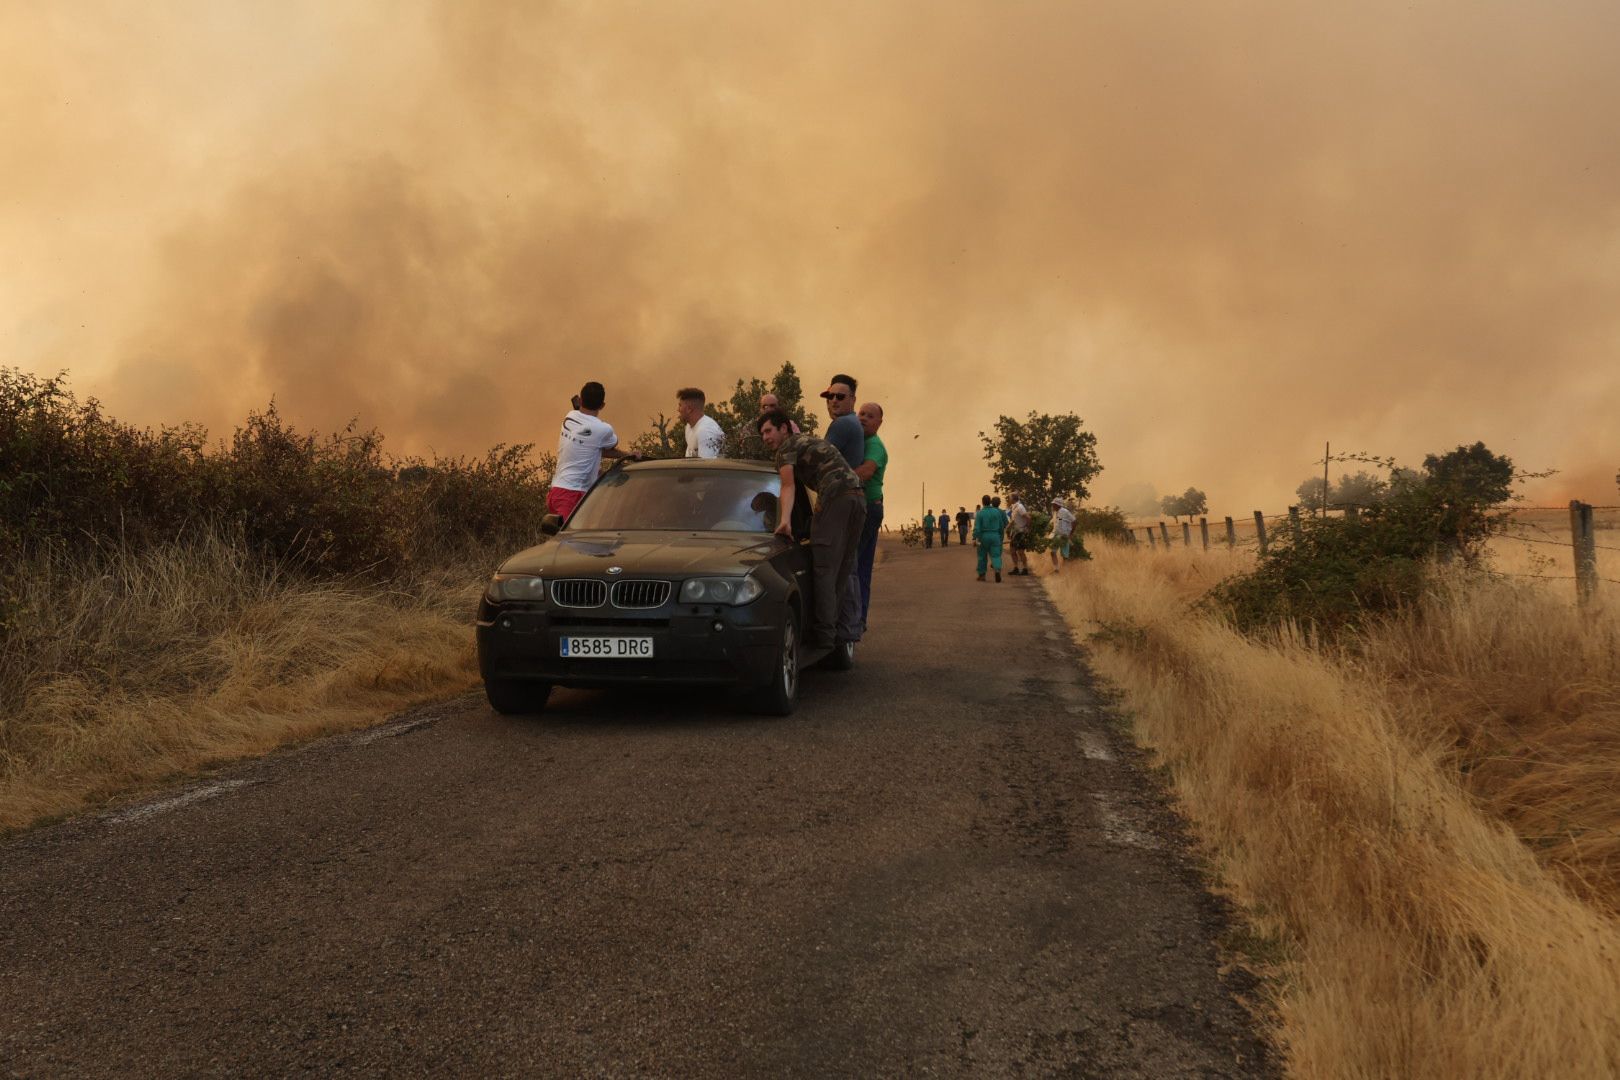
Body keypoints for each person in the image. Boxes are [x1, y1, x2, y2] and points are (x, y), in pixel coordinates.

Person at [759, 410, 866, 650]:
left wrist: (784, 521)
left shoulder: (785, 449)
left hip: (836, 498)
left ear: (784, 428)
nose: (765, 437)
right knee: (843, 570)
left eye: (768, 431)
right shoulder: (808, 441)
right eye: (762, 433)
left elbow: (787, 486)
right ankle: (841, 634)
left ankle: (824, 639)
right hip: (858, 498)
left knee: (824, 570)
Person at [548, 381, 639, 520]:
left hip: (556, 491)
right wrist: (629, 454)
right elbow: (609, 447)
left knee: (566, 540)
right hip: (572, 494)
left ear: (580, 400)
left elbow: (592, 448)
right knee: (569, 541)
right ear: (602, 405)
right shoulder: (604, 429)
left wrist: (627, 455)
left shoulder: (569, 416)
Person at [853, 402, 887, 630]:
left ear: (879, 423)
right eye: (861, 413)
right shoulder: (859, 441)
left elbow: (865, 472)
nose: (863, 418)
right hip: (866, 508)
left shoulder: (875, 445)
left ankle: (857, 618)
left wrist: (831, 474)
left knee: (855, 565)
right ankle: (858, 617)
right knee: (860, 565)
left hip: (868, 510)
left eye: (870, 416)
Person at [820, 374, 864, 468]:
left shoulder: (843, 423)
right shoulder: (853, 421)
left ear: (853, 400)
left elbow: (819, 460)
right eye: (831, 396)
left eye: (840, 396)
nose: (834, 400)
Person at [676, 387, 726, 459]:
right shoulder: (689, 427)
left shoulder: (706, 431)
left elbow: (706, 468)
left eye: (680, 405)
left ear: (689, 409)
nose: (678, 409)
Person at [972, 494, 1005, 582]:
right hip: (995, 536)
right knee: (996, 555)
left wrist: (974, 538)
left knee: (982, 556)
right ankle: (997, 570)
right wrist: (1001, 537)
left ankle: (982, 575)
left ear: (982, 502)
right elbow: (1001, 526)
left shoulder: (980, 513)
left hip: (983, 537)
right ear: (990, 502)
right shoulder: (997, 512)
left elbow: (977, 528)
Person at [1050, 497, 1077, 572]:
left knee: (1065, 556)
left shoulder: (1065, 512)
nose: (1053, 506)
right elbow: (1054, 523)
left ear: (1058, 505)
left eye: (1054, 504)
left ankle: (1065, 571)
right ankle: (1056, 570)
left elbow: (1074, 521)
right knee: (1052, 552)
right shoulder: (1055, 513)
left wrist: (1070, 534)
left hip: (1064, 536)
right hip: (1056, 536)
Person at [1007, 494, 1032, 575]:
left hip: (1020, 532)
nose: (1008, 499)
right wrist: (1008, 528)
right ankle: (1016, 568)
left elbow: (1028, 517)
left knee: (1021, 552)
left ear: (1014, 499)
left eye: (1010, 498)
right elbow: (1014, 520)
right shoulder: (1014, 507)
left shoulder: (1020, 507)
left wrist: (1027, 529)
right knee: (1012, 551)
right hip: (1015, 533)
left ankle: (1025, 569)